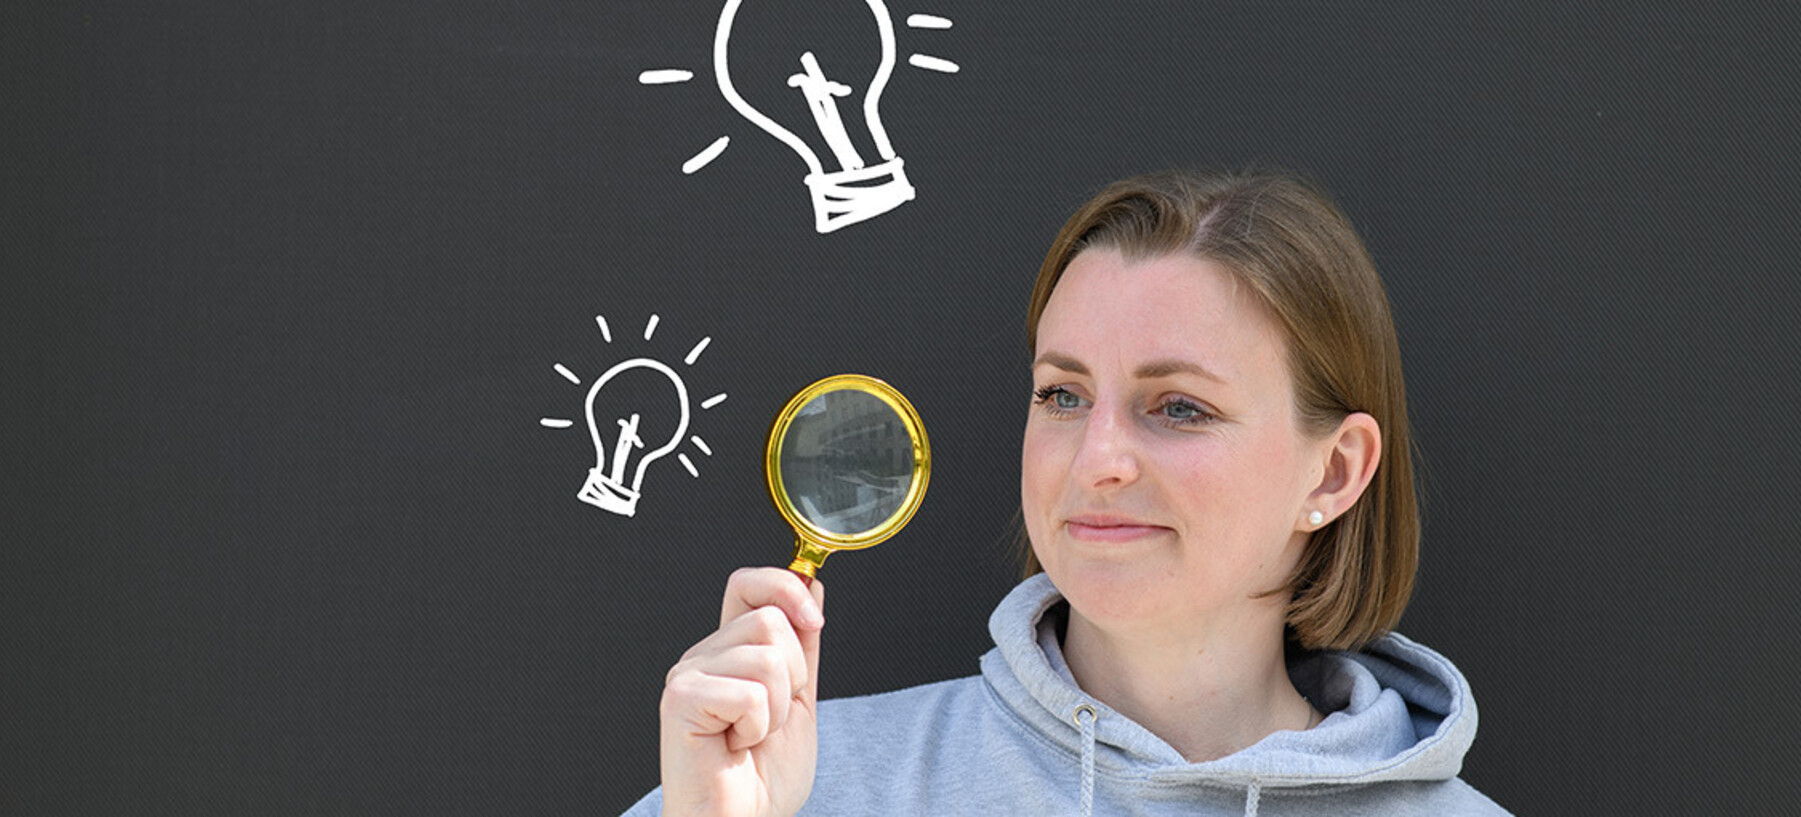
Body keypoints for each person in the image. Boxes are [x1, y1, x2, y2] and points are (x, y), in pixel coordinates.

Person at [623, 169, 1507, 816]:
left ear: (1336, 471)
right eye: (1062, 395)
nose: (1097, 459)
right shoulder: (794, 786)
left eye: (1179, 407)